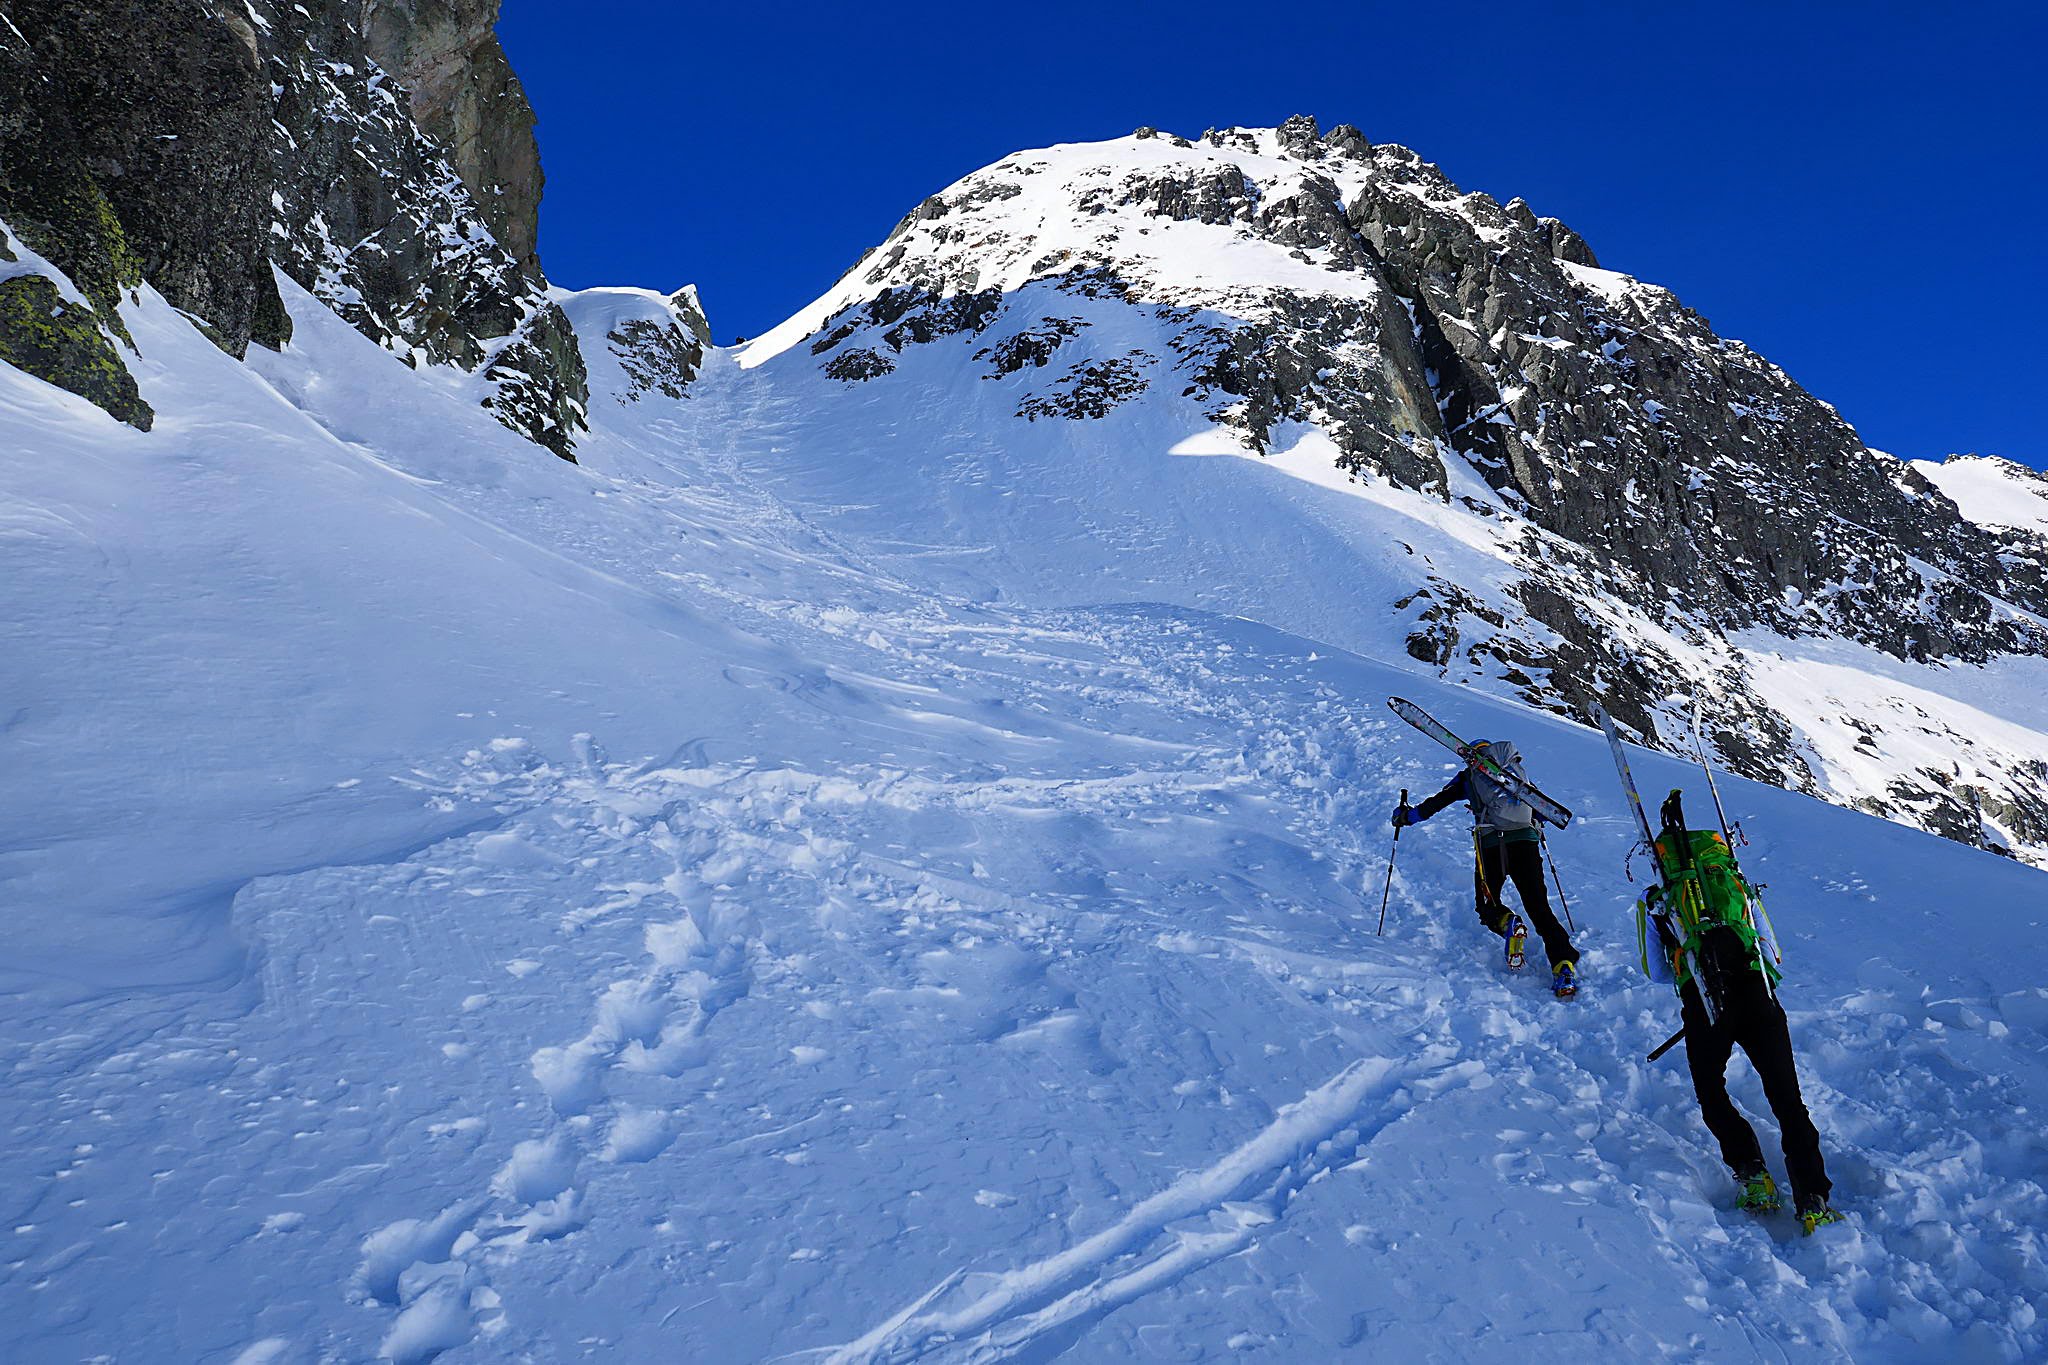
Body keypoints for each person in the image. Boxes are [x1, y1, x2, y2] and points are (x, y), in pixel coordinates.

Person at [1637, 791, 1842, 1234]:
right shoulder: (1738, 887)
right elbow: (1773, 951)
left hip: (1704, 1002)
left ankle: (1754, 1175)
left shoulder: (1657, 900)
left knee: (1711, 1091)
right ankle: (1812, 1196)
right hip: (1756, 993)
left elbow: (1655, 971)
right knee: (1788, 1100)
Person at [1392, 739, 1579, 997]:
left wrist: (1405, 816)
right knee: (1539, 908)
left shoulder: (1469, 776)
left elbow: (1434, 804)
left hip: (1492, 845)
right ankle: (1563, 965)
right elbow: (1541, 809)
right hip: (1525, 843)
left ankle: (1508, 922)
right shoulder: (1516, 773)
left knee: (1486, 902)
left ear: (1472, 756)